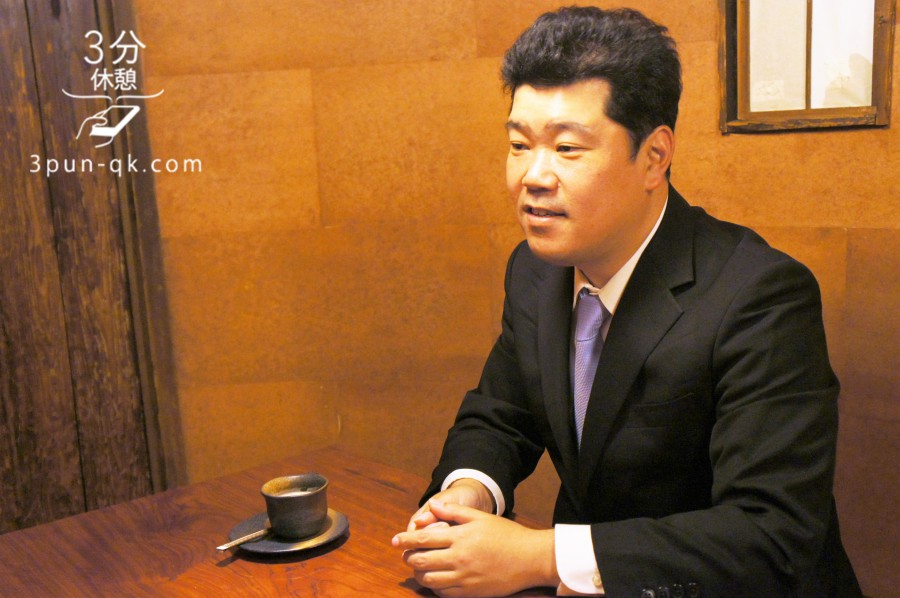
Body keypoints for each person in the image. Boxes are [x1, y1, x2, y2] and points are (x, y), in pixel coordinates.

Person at [392, 6, 861, 597]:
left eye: (567, 148)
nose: (533, 176)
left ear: (655, 157)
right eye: (519, 144)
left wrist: (541, 556)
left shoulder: (761, 296)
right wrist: (467, 493)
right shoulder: (535, 270)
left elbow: (769, 536)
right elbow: (501, 414)